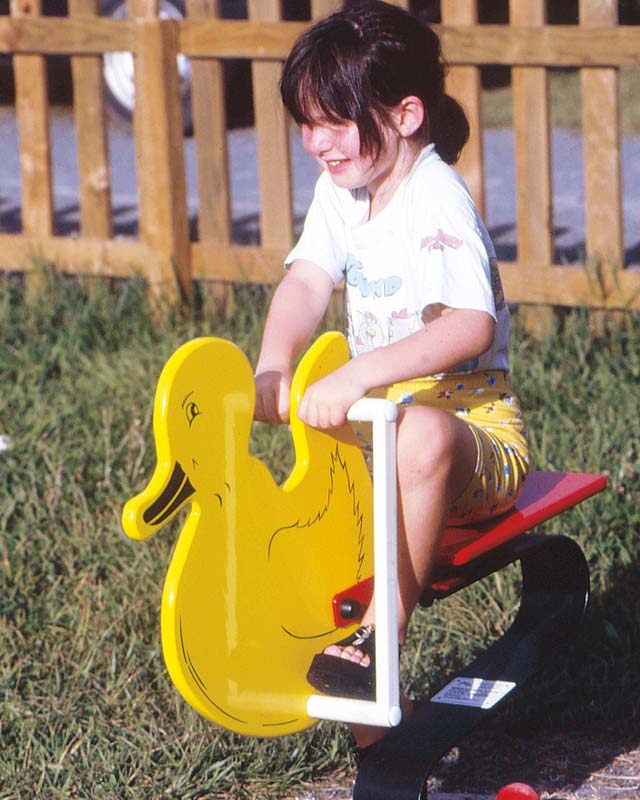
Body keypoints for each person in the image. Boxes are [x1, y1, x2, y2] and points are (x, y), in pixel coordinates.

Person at [253, 0, 529, 748]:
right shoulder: (344, 195)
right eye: (306, 123)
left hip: (472, 440)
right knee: (334, 490)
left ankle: (385, 630)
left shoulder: (435, 199)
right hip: (385, 438)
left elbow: (469, 324)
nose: (316, 143)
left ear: (406, 115)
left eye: (333, 122)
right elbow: (308, 282)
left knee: (421, 433)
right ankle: (377, 743)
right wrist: (274, 367)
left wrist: (360, 373)